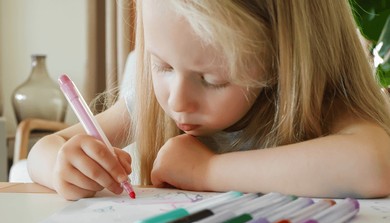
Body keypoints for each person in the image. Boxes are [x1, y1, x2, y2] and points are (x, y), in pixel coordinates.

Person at [27, 0, 390, 201]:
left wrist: (206, 172)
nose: (179, 101)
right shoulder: (149, 102)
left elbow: (376, 164)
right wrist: (63, 164)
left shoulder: (320, 104)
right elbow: (42, 150)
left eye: (213, 80)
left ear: (285, 62)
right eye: (163, 65)